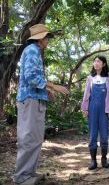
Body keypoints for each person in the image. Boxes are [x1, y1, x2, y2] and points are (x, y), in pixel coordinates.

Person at [12, 24, 69, 185]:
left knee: (36, 138)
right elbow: (30, 77)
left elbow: (35, 77)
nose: (48, 40)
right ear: (40, 38)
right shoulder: (31, 50)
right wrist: (53, 86)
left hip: (35, 98)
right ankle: (21, 176)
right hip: (29, 99)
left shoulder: (35, 51)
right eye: (46, 37)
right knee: (29, 137)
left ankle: (29, 172)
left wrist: (46, 91)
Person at [81, 56, 109, 170]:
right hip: (92, 109)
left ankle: (104, 159)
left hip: (104, 110)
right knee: (92, 135)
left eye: (99, 61)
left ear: (104, 64)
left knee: (104, 136)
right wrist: (84, 108)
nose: (96, 63)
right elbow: (86, 95)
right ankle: (93, 161)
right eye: (95, 61)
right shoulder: (90, 78)